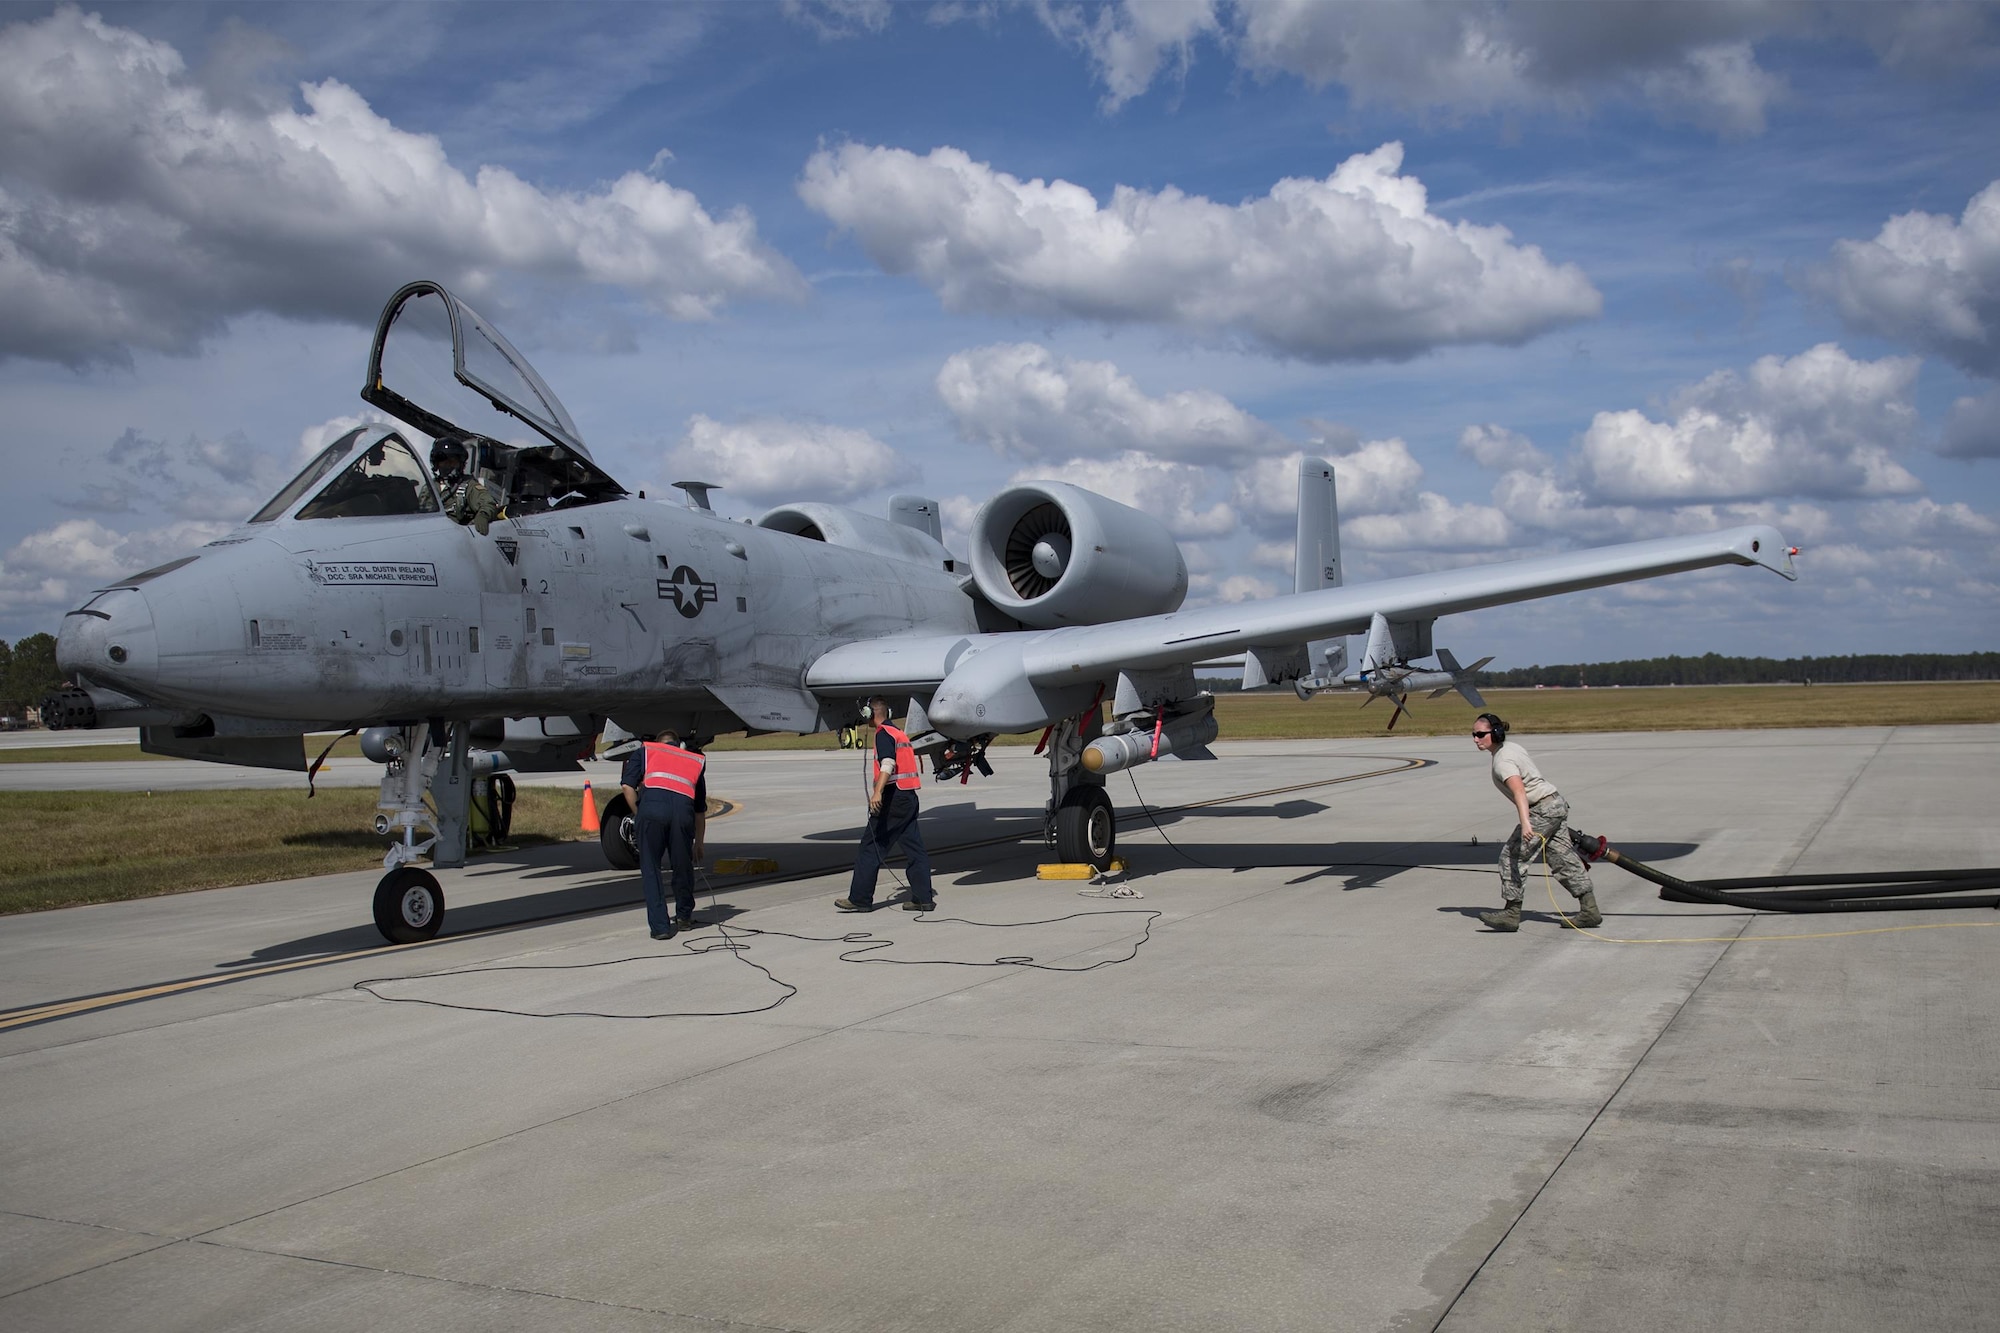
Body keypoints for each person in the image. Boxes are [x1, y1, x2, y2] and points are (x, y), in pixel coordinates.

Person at [1471, 713, 1602, 932]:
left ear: (1495, 734)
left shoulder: (1503, 761)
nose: (1476, 739)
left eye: (1481, 734)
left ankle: (1511, 913)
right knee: (1562, 857)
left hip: (1541, 810)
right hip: (1555, 803)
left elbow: (1520, 792)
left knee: (1512, 856)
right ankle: (1590, 910)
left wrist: (1526, 823)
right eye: (1473, 734)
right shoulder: (1511, 748)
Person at [836, 697, 936, 913]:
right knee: (914, 849)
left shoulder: (884, 735)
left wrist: (877, 792)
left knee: (870, 848)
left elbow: (888, 763)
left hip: (893, 798)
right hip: (908, 796)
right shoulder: (898, 733)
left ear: (869, 714)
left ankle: (860, 899)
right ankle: (923, 898)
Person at [619, 729, 708, 938]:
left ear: (659, 743)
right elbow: (699, 810)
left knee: (651, 869)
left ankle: (660, 928)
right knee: (682, 866)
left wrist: (639, 815)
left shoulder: (646, 751)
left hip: (652, 812)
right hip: (682, 815)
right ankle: (684, 917)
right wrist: (700, 843)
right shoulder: (694, 759)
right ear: (678, 744)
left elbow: (627, 786)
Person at [431, 435, 500, 535]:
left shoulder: (469, 485)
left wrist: (483, 515)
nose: (448, 466)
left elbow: (488, 503)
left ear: (461, 464)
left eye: (452, 462)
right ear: (436, 464)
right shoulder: (430, 487)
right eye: (444, 462)